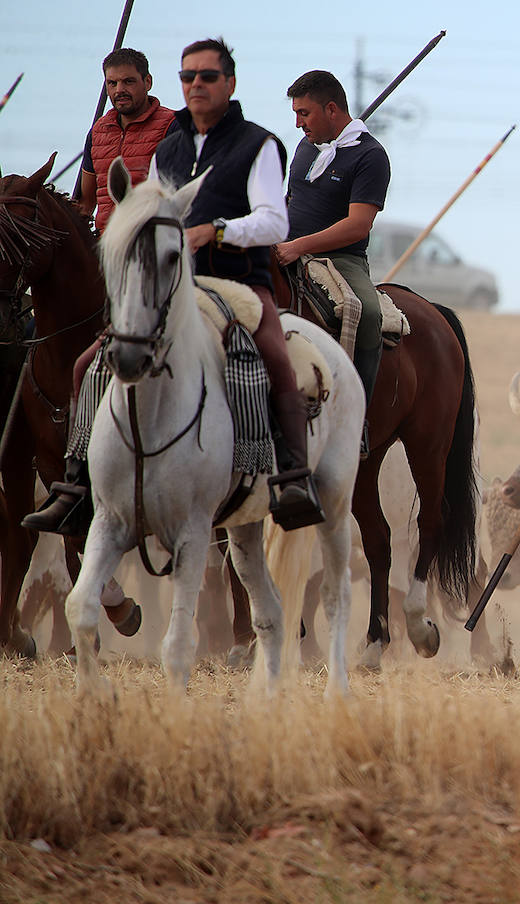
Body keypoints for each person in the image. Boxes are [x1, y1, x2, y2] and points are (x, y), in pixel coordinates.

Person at [25, 37, 321, 534]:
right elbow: (151, 210)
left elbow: (274, 223)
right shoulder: (172, 145)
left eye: (207, 76)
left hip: (238, 281)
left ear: (229, 83)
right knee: (87, 364)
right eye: (189, 77)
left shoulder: (260, 144)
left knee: (270, 351)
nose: (197, 85)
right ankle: (76, 483)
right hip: (172, 283)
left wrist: (219, 230)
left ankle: (291, 475)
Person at [274, 69, 388, 412]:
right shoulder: (305, 147)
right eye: (296, 114)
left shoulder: (371, 156)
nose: (298, 124)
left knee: (368, 313)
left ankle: (359, 415)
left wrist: (299, 246)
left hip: (340, 259)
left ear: (332, 110)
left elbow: (358, 225)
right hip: (284, 248)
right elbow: (290, 200)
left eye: (304, 114)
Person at [77, 48, 176, 233]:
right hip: (106, 242)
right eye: (112, 83)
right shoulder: (97, 132)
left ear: (147, 82)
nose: (119, 90)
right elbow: (86, 202)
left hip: (151, 241)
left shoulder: (173, 126)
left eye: (128, 81)